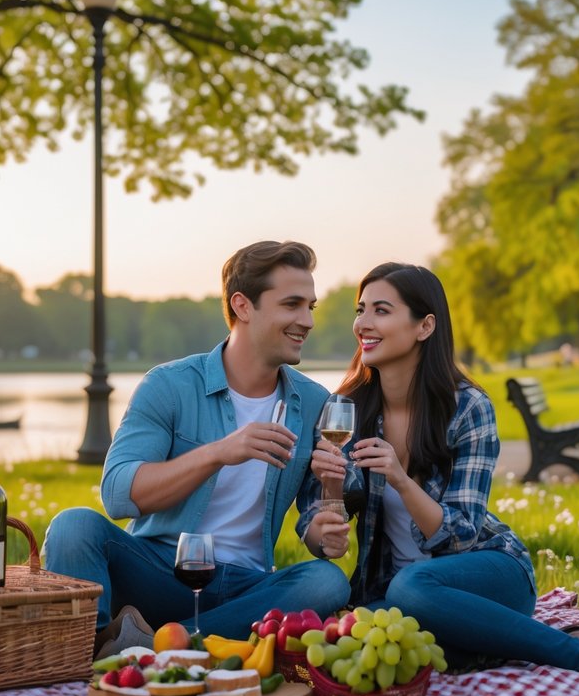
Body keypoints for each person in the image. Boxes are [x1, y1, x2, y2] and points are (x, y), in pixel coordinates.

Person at [300, 262, 579, 689]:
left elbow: (459, 534)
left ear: (425, 326)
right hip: (394, 592)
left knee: (412, 589)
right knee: (376, 631)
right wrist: (330, 495)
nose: (363, 324)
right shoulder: (346, 408)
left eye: (381, 311)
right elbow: (322, 539)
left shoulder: (468, 408)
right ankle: (570, 639)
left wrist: (401, 480)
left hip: (487, 573)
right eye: (360, 309)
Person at [46, 241, 351, 659]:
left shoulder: (315, 403)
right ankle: (81, 658)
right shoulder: (169, 385)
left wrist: (329, 507)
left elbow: (319, 540)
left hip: (246, 588)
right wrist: (219, 452)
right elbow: (117, 495)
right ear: (243, 306)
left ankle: (151, 647)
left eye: (310, 307)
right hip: (161, 573)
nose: (306, 320)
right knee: (74, 526)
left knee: (327, 581)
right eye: (292, 305)